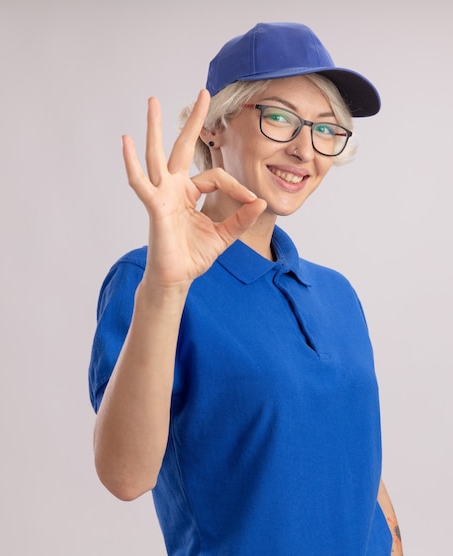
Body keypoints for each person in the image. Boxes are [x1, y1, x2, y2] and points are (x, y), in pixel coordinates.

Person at [88, 21, 403, 556]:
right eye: (280, 118)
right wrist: (166, 287)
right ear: (214, 126)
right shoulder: (151, 280)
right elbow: (125, 477)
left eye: (326, 128)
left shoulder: (336, 294)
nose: (306, 149)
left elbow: (358, 464)